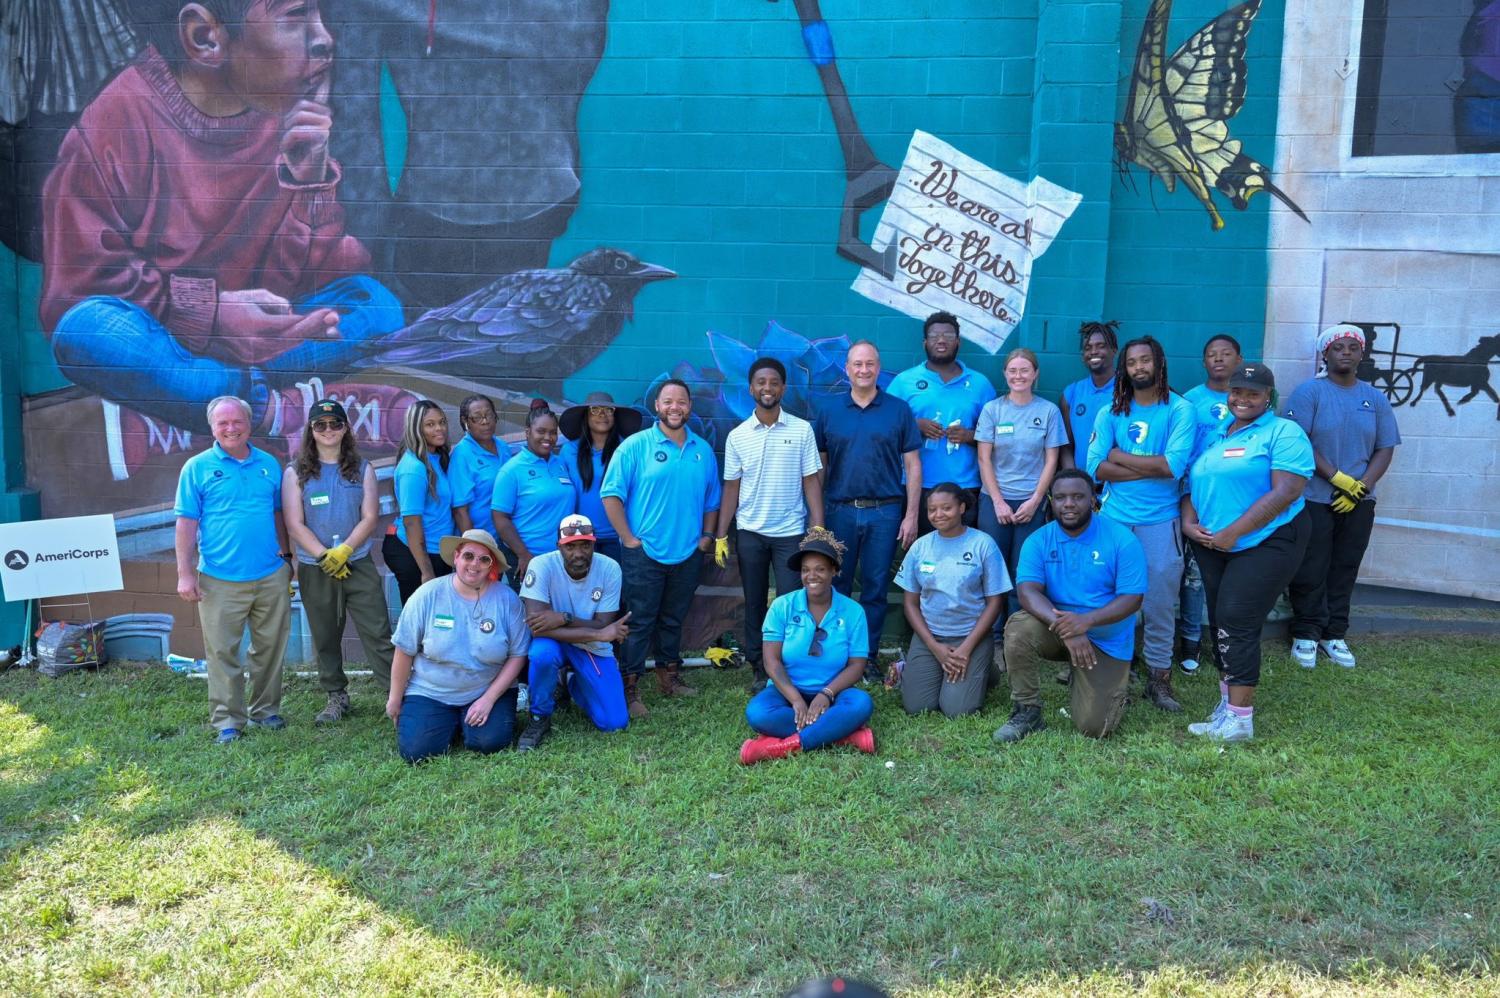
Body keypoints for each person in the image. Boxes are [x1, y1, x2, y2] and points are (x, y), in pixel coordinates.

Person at [40, 0, 405, 441]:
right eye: (296, 17)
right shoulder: (115, 124)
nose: (325, 37)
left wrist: (309, 183)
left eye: (321, 15)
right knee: (85, 332)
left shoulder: (284, 114)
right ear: (205, 37)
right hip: (167, 339)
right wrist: (211, 313)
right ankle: (266, 408)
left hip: (250, 342)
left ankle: (229, 391)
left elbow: (304, 279)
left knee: (375, 303)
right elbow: (79, 287)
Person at [1182, 363, 1313, 743]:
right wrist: (1190, 524)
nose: (1242, 399)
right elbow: (1193, 484)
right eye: (1237, 391)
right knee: (1222, 618)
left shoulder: (1283, 432)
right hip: (1212, 544)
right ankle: (1228, 707)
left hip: (1265, 542)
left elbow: (1285, 491)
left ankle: (1241, 720)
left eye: (1253, 393)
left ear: (1268, 397)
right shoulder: (1220, 435)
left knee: (1237, 618)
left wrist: (1232, 533)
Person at [992, 469, 1147, 743]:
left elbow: (1133, 599)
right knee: (1019, 627)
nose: (1069, 504)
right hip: (1058, 628)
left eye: (1078, 497)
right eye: (1061, 497)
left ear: (1093, 500)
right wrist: (1072, 629)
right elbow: (1027, 592)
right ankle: (1027, 711)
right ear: (1051, 500)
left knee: (1095, 728)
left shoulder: (1122, 539)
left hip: (1105, 637)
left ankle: (1102, 679)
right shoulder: (1039, 539)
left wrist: (1086, 622)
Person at [1085, 335, 1196, 713]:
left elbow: (1172, 467)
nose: (1139, 368)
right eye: (1132, 363)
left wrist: (1120, 456)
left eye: (1145, 360)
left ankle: (1159, 678)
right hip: (1115, 519)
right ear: (1125, 368)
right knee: (1111, 598)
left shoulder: (1180, 410)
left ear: (1159, 363)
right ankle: (1115, 671)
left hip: (1160, 522)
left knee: (1160, 604)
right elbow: (1094, 468)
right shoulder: (1111, 411)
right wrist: (1143, 466)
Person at [174, 396, 292, 744]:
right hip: (219, 579)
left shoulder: (269, 464)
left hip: (271, 574)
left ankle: (265, 711)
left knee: (270, 648)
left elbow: (277, 515)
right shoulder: (196, 468)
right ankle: (228, 722)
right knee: (223, 652)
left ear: (249, 424)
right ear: (212, 428)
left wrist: (288, 558)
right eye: (222, 423)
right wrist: (184, 573)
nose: (230, 428)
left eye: (237, 421)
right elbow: (185, 523)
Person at [601, 379, 722, 717]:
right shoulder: (635, 446)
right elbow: (611, 495)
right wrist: (628, 538)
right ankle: (630, 687)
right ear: (657, 406)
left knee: (673, 619)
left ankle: (670, 677)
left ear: (689, 407)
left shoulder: (702, 450)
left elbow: (713, 500)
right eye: (668, 401)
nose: (675, 408)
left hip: (687, 552)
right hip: (645, 553)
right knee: (639, 621)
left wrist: (706, 538)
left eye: (681, 402)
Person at [1284, 324, 1401, 670]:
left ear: (1362, 354)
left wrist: (1360, 487)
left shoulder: (1374, 398)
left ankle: (1334, 634)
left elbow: (1384, 447)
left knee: (1345, 565)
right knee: (1311, 566)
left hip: (1358, 502)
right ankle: (1306, 632)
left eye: (1353, 347)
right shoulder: (1309, 393)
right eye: (1339, 347)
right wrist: (1336, 478)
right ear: (1326, 354)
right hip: (1316, 498)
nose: (1346, 352)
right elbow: (1299, 442)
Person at [281, 397, 395, 724]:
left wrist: (344, 550)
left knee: (377, 631)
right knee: (326, 634)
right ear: (311, 430)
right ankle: (336, 696)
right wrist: (323, 555)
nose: (328, 430)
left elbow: (370, 516)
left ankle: (395, 696)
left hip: (357, 563)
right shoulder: (296, 472)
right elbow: (294, 522)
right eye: (321, 425)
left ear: (346, 428)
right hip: (316, 568)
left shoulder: (362, 468)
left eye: (335, 424)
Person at [715, 358, 825, 690]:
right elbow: (731, 487)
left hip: (790, 533)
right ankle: (759, 667)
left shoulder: (801, 429)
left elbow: (811, 481)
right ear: (751, 388)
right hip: (750, 532)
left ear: (783, 388)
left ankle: (790, 663)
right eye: (761, 382)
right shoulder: (737, 436)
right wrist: (721, 533)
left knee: (792, 601)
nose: (767, 388)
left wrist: (817, 529)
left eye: (773, 382)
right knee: (755, 600)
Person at [814, 341, 922, 677]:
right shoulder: (829, 411)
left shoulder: (898, 410)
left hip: (885, 512)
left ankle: (868, 657)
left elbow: (913, 464)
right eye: (857, 364)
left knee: (875, 588)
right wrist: (817, 517)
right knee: (838, 585)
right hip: (839, 510)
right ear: (847, 369)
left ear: (878, 367)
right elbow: (818, 466)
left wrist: (912, 514)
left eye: (870, 364)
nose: (864, 370)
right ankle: (838, 656)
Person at [386, 529, 530, 762]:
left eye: (484, 559)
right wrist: (394, 698)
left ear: (491, 565)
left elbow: (517, 655)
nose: (475, 565)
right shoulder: (427, 595)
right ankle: (445, 720)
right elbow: (404, 650)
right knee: (416, 752)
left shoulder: (507, 600)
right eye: (468, 556)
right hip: (431, 690)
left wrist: (489, 699)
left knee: (489, 743)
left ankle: (465, 721)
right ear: (456, 557)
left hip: (485, 688)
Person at [740, 529, 877, 764]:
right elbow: (771, 661)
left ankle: (784, 746)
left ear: (834, 571)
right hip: (786, 692)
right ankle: (844, 735)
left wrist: (826, 694)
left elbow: (857, 665)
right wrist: (795, 700)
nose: (811, 576)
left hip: (834, 692)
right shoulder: (782, 606)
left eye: (820, 569)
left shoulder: (853, 611)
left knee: (861, 704)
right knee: (758, 713)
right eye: (806, 570)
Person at [517, 514, 633, 750]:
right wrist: (598, 633)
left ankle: (570, 682)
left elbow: (603, 623)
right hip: (553, 641)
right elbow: (537, 630)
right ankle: (539, 716)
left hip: (589, 645)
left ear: (594, 544)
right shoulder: (541, 565)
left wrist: (562, 617)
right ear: (558, 546)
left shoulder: (610, 568)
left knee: (614, 723)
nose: (578, 553)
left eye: (585, 545)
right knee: (541, 655)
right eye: (570, 546)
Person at [895, 484, 1010, 718]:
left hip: (970, 636)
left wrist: (967, 649)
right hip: (931, 636)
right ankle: (941, 665)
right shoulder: (920, 546)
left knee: (957, 710)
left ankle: (987, 669)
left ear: (962, 508)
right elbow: (910, 603)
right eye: (932, 510)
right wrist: (934, 647)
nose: (938, 515)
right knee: (918, 707)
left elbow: (995, 602)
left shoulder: (983, 544)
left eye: (946, 508)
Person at [976, 348, 1067, 631]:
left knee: (1023, 572)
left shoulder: (1048, 411)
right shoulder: (993, 409)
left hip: (1032, 502)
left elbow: (1052, 460)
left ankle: (1017, 634)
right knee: (993, 570)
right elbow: (983, 458)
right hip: (994, 501)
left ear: (1035, 374)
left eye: (1025, 370)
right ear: (1005, 373)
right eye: (1013, 371)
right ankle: (993, 635)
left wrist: (1036, 500)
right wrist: (1000, 502)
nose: (1019, 376)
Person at [886, 312, 996, 532]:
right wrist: (915, 426)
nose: (941, 340)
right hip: (918, 487)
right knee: (923, 555)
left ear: (958, 341)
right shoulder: (904, 382)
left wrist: (969, 435)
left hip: (966, 486)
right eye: (935, 335)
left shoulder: (980, 383)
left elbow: (996, 436)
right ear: (925, 342)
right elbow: (885, 428)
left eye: (948, 335)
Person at [1176, 334, 1244, 675]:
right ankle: (1189, 641)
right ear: (1204, 362)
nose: (1219, 359)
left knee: (1232, 576)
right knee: (1194, 576)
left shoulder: (1251, 400)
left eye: (1226, 354)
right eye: (1212, 355)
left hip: (1236, 502)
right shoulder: (1189, 402)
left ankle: (1228, 642)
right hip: (1195, 499)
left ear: (1239, 359)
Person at [490, 400, 576, 586]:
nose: (548, 437)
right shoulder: (511, 470)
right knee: (528, 614)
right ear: (528, 432)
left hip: (561, 558)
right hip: (528, 560)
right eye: (541, 431)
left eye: (553, 432)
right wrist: (523, 554)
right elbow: (500, 518)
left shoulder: (560, 463)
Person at [383, 399, 459, 605]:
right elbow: (411, 522)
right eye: (430, 424)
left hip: (437, 550)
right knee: (420, 624)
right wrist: (426, 572)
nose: (439, 428)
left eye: (442, 422)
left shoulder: (437, 457)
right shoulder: (414, 468)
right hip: (414, 554)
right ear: (416, 429)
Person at [559, 391, 643, 566]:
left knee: (616, 590)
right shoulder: (569, 451)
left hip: (618, 537)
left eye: (608, 410)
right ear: (586, 416)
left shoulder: (627, 449)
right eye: (595, 410)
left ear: (615, 416)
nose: (602, 415)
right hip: (581, 538)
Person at [448, 395, 513, 535]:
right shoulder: (462, 455)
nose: (485, 422)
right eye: (477, 417)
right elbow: (460, 511)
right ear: (465, 422)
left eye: (489, 415)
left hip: (508, 535)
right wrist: (475, 545)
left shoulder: (503, 447)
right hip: (483, 538)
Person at [1059, 321, 1119, 470]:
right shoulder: (1071, 393)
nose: (1093, 352)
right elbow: (1066, 446)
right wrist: (1075, 480)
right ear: (1082, 356)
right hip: (1081, 486)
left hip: (1117, 488)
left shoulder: (1130, 391)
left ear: (1114, 350)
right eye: (1088, 348)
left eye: (1101, 346)